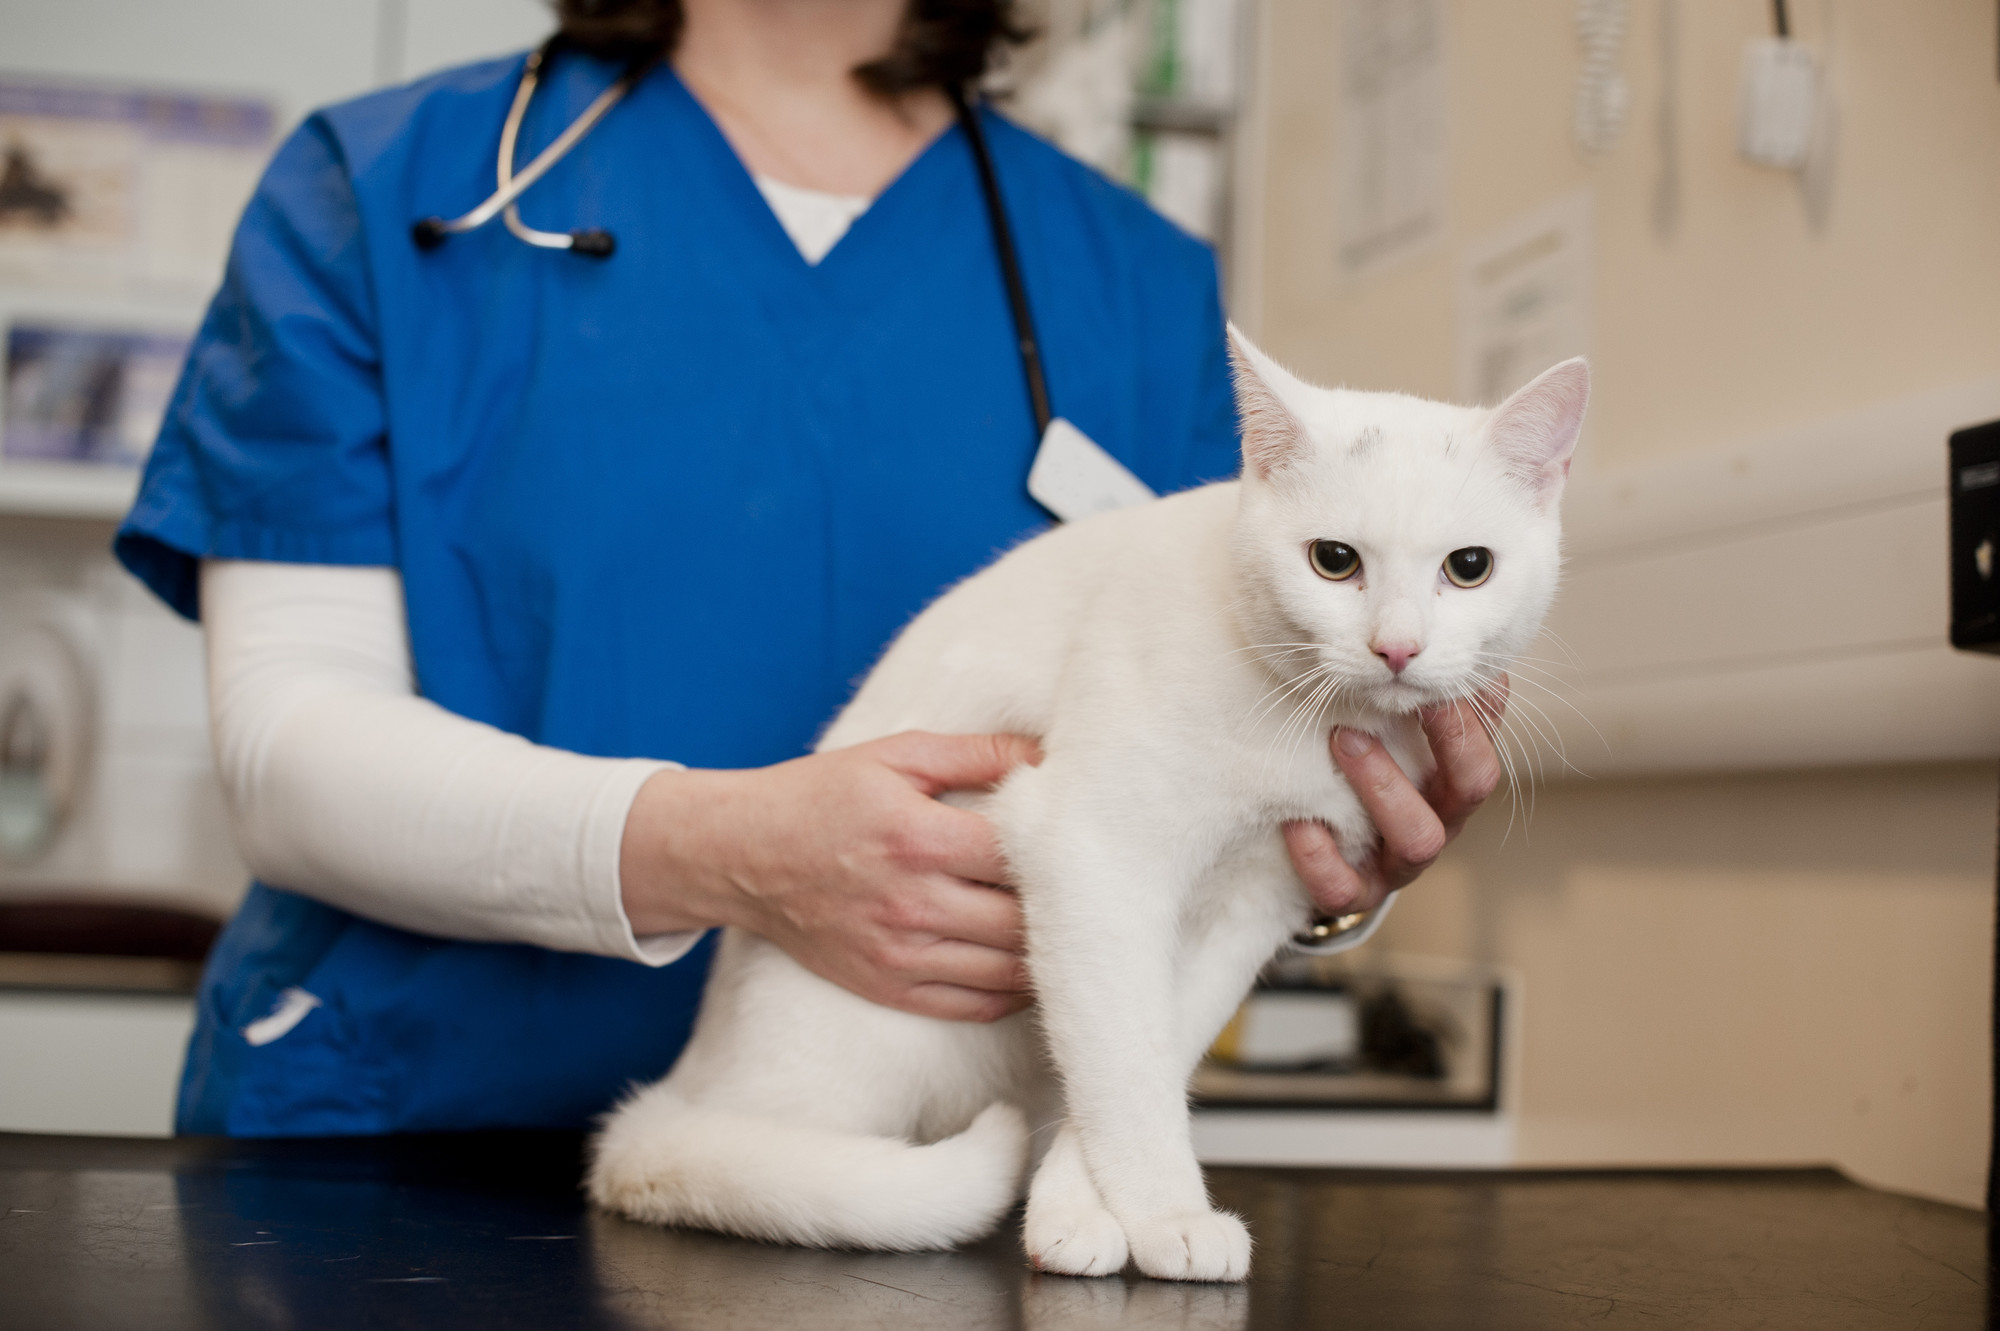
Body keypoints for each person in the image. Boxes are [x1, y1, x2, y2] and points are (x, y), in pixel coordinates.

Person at [113, 0, 1504, 1136]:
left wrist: (1323, 866)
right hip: (393, 1154)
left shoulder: (1130, 280)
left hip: (912, 1182)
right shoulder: (396, 191)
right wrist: (730, 856)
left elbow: (1208, 770)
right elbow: (286, 759)